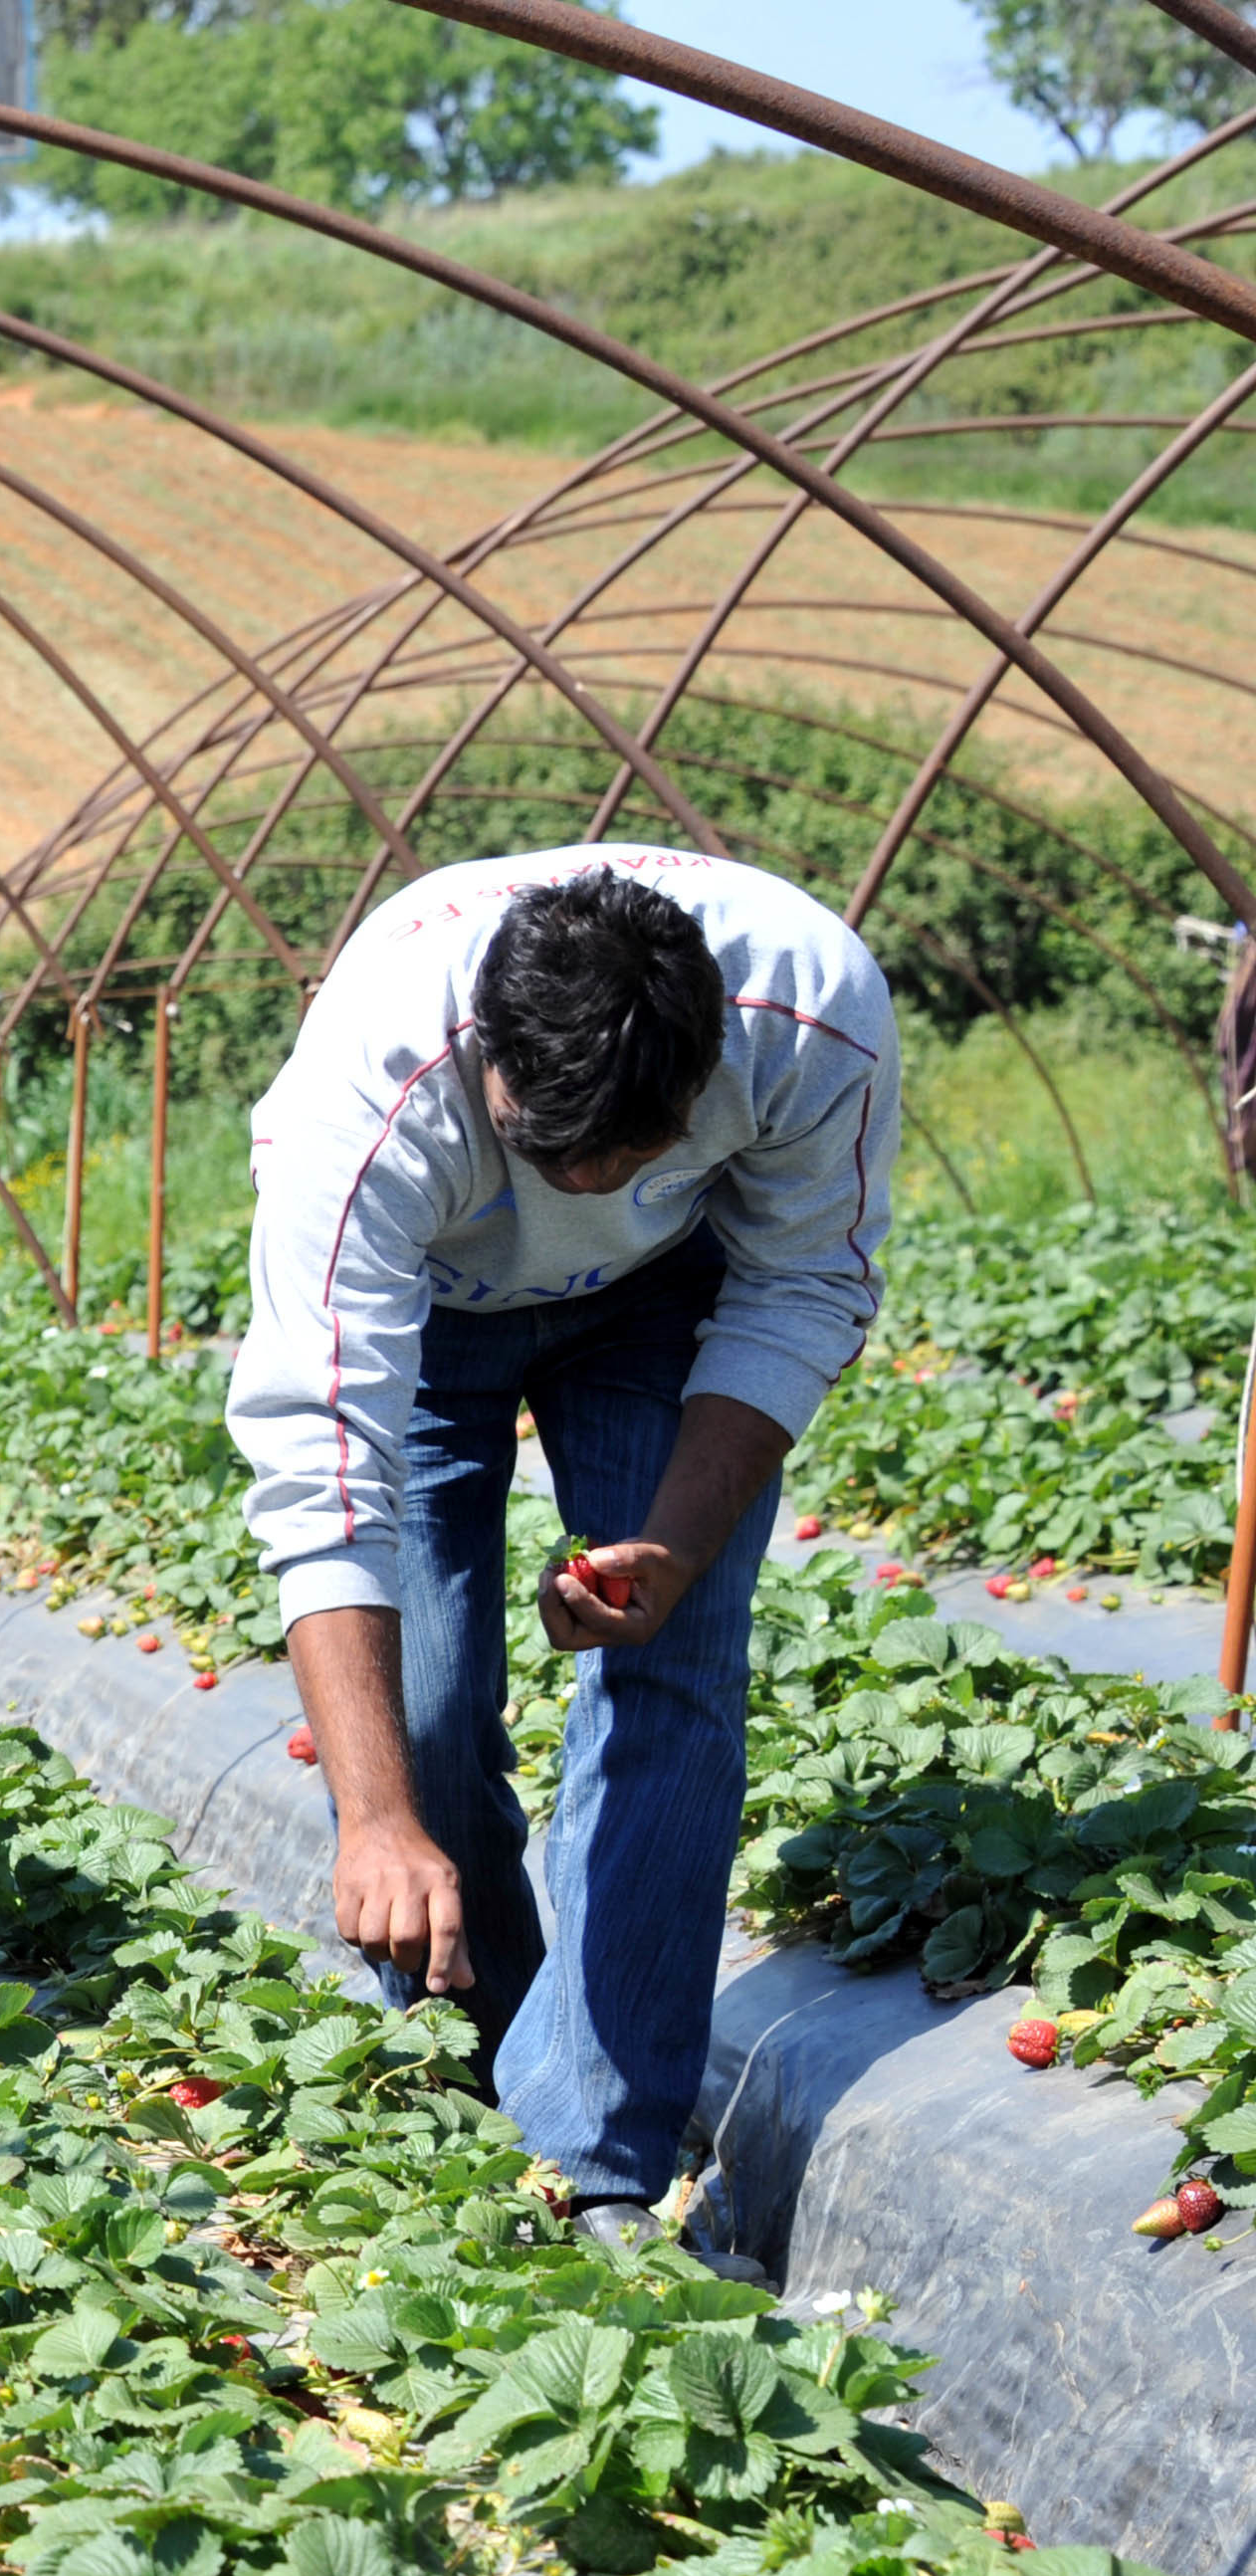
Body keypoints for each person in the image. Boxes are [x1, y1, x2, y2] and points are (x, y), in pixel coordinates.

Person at [226, 845, 895, 2251]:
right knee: (423, 1714)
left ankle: (588, 2160)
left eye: (629, 1153)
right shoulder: (377, 1080)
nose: (584, 1180)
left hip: (665, 1301)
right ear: (489, 1057)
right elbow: (320, 1440)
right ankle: (480, 2079)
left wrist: (673, 1539)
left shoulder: (812, 1019)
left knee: (679, 1669)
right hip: (431, 1317)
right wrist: (375, 1820)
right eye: (549, 1145)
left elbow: (802, 1281)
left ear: (708, 1071)